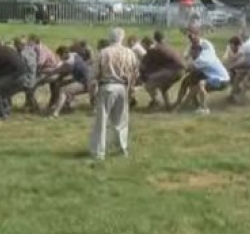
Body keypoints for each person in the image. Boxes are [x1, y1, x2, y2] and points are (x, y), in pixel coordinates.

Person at [88, 27, 139, 160]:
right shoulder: (130, 53)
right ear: (122, 38)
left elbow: (95, 74)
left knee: (102, 121)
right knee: (121, 121)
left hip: (107, 86)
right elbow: (135, 73)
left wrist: (92, 92)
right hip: (122, 87)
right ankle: (121, 149)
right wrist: (131, 89)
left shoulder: (103, 53)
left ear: (110, 38)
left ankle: (99, 152)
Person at [174, 39, 230, 115]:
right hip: (214, 77)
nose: (191, 55)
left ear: (198, 51)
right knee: (190, 81)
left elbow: (187, 69)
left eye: (192, 53)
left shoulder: (202, 59)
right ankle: (185, 105)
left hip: (222, 80)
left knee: (200, 84)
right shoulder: (201, 56)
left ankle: (204, 108)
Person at [139, 35, 186, 109]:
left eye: (143, 45)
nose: (143, 48)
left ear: (145, 44)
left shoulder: (152, 50)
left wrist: (143, 77)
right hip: (182, 70)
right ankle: (168, 106)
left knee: (148, 85)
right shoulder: (163, 46)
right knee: (163, 87)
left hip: (173, 70)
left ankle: (157, 102)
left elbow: (143, 66)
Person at [46, 45, 92, 118]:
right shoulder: (74, 54)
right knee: (62, 84)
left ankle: (56, 113)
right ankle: (67, 105)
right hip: (85, 79)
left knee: (63, 90)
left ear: (64, 54)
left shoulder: (69, 62)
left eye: (60, 56)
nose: (60, 58)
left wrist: (48, 72)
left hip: (86, 83)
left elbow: (58, 71)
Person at [13, 36, 39, 112]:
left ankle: (34, 108)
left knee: (6, 88)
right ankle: (34, 107)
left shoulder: (24, 54)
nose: (15, 46)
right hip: (29, 77)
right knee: (30, 94)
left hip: (27, 78)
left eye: (16, 44)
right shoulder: (28, 50)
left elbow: (24, 67)